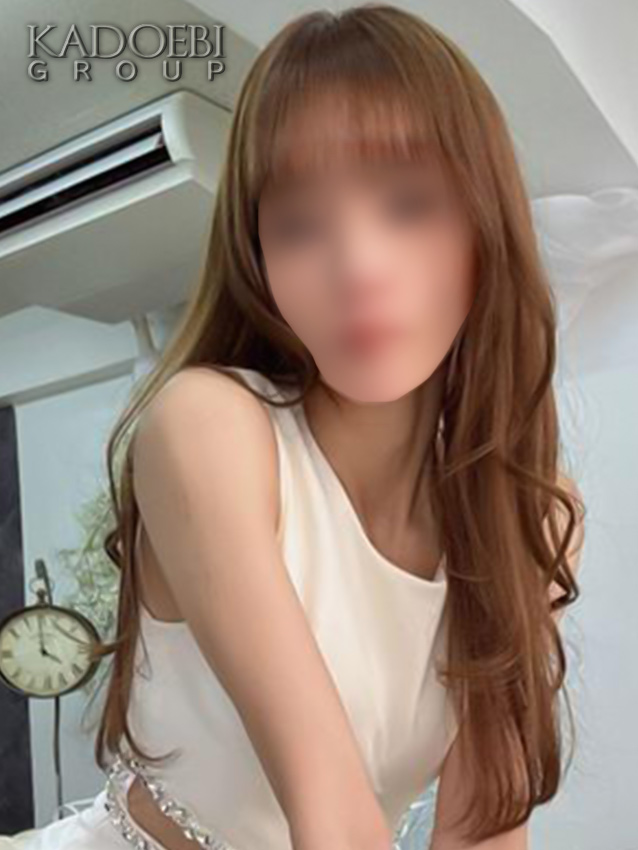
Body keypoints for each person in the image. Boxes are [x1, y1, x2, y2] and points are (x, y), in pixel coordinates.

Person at [3, 4, 586, 850]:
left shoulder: (532, 511)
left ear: (484, 225)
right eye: (300, 224)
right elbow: (332, 816)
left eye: (409, 204)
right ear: (260, 256)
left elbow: (485, 826)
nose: (358, 267)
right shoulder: (210, 428)